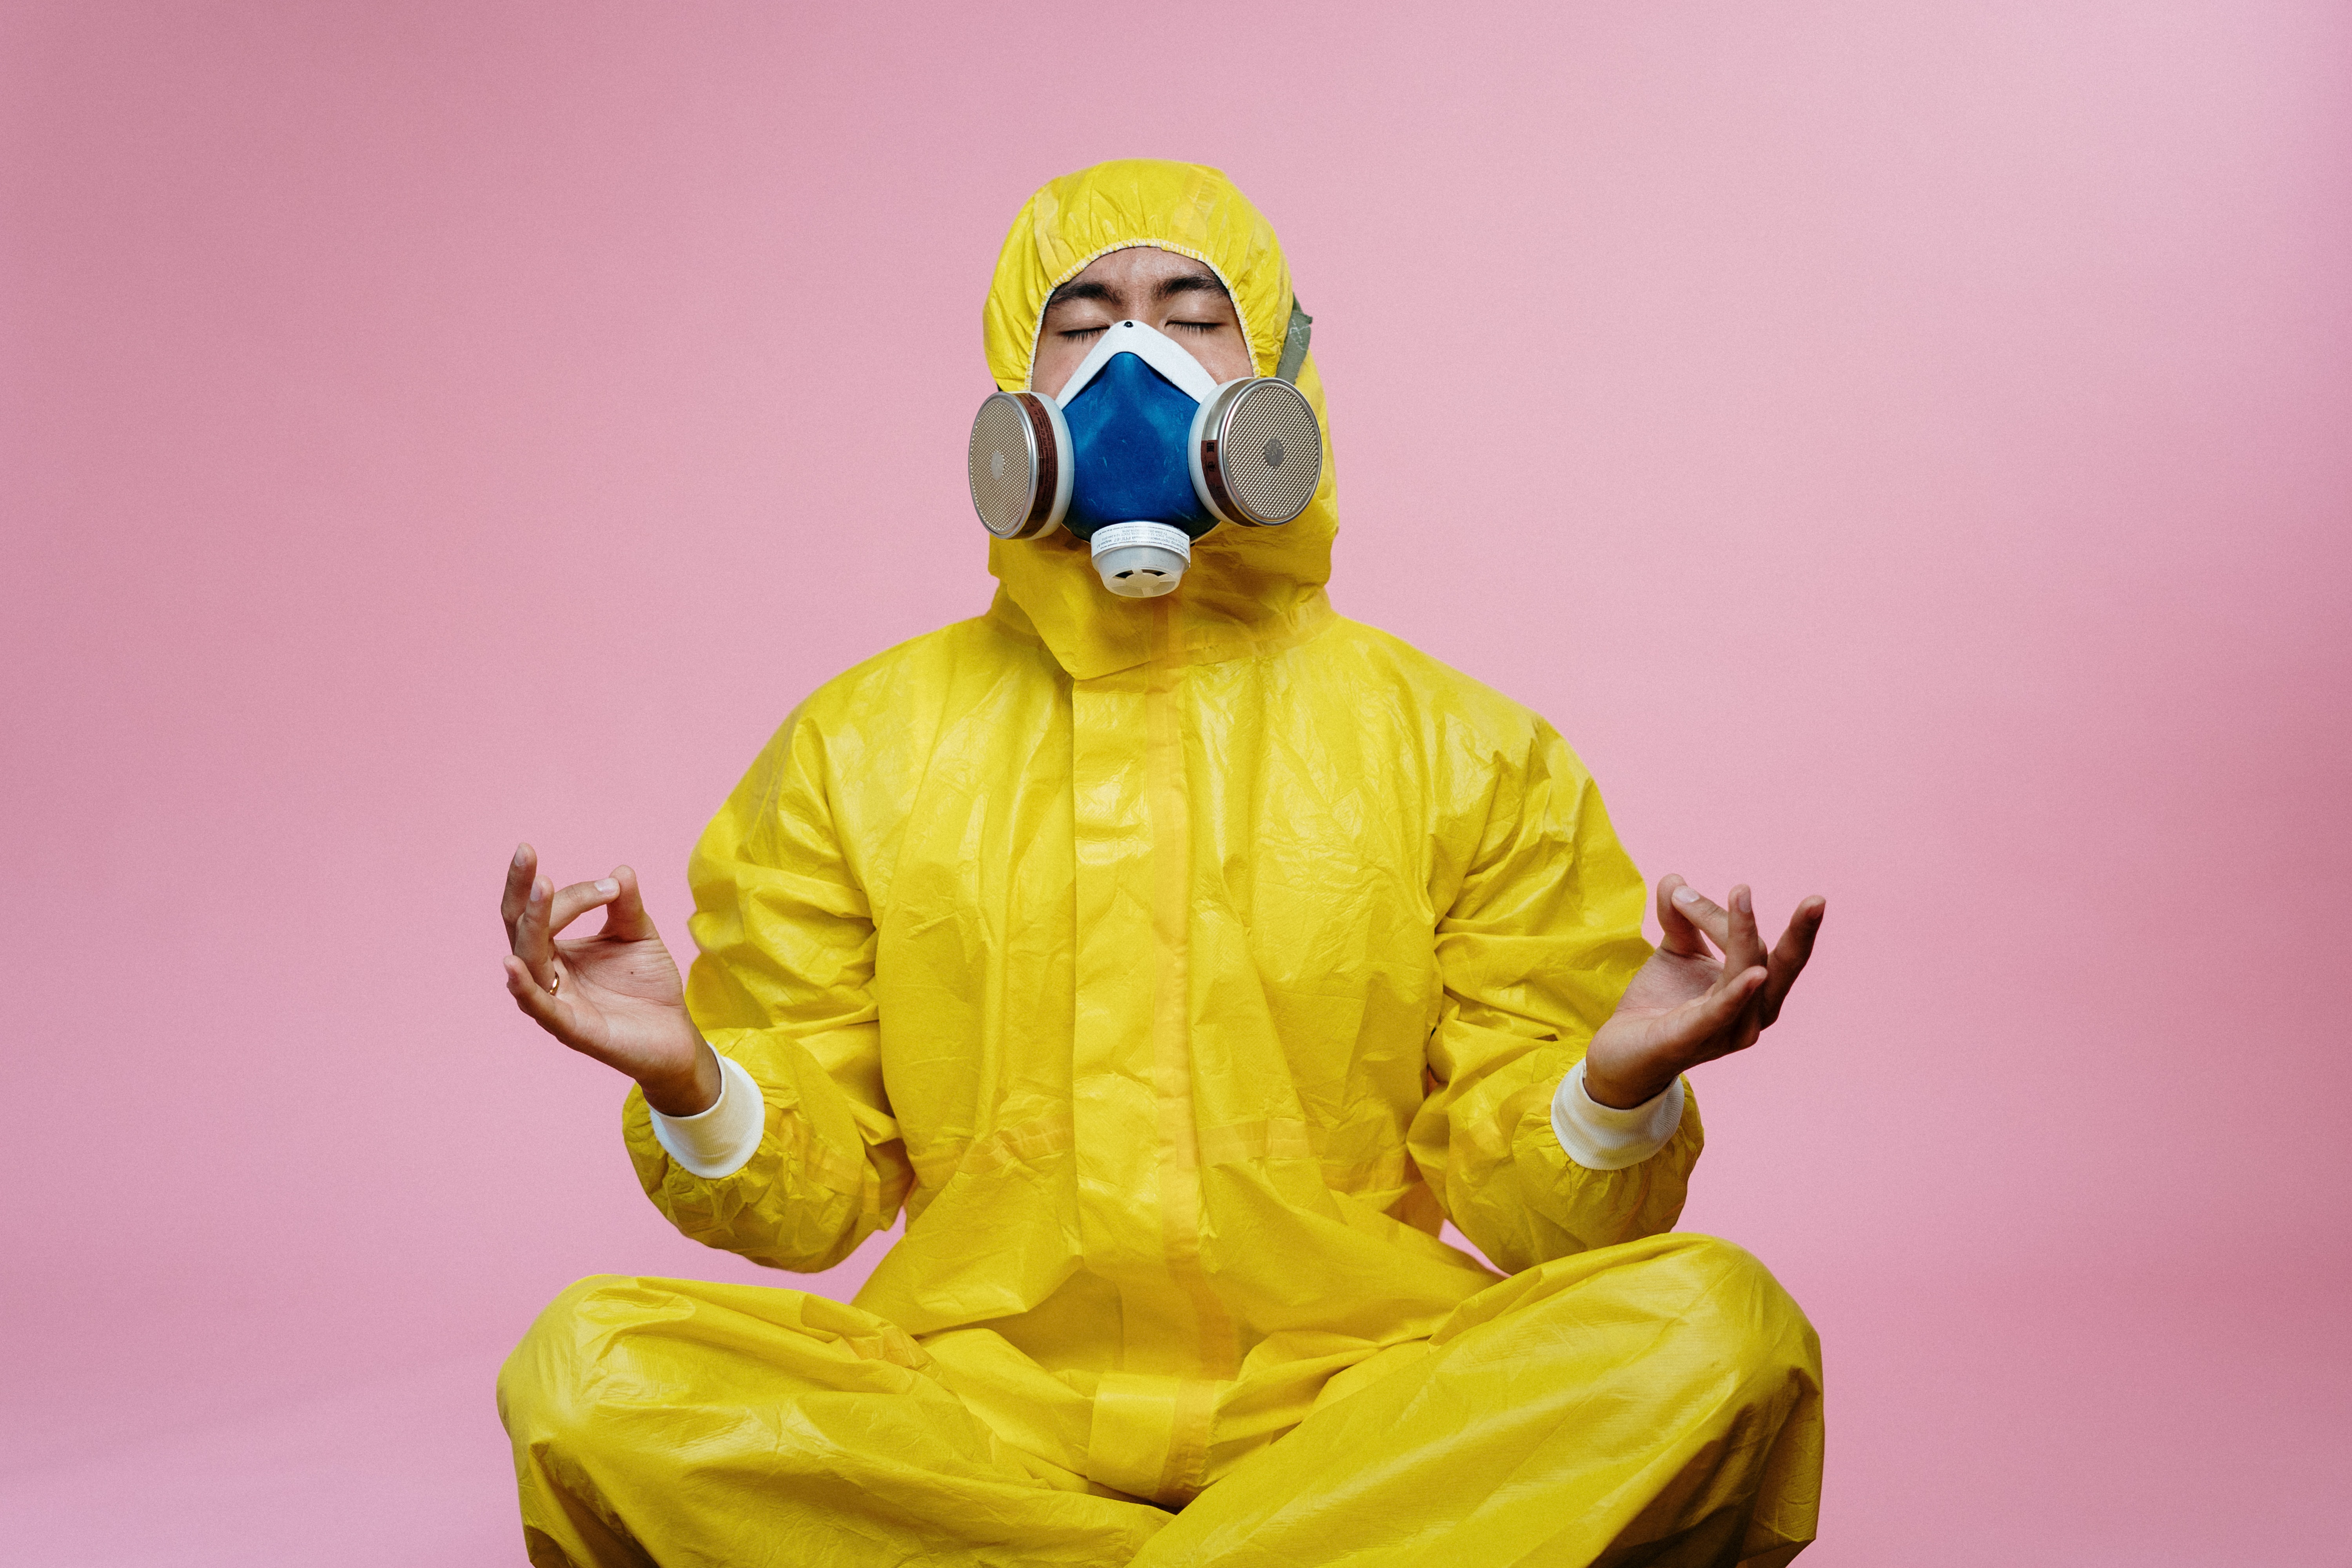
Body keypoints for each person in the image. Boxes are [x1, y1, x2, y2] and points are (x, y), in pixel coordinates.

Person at [494, 158, 1826, 1568]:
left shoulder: (1467, 751)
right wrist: (697, 1081)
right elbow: (821, 1205)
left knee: (1714, 1338)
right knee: (590, 1379)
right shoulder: (859, 746)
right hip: (975, 1412)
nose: (1136, 361)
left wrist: (1614, 1087)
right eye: (1083, 321)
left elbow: (1536, 1217)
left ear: (1280, 379)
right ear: (1019, 386)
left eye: (1193, 316)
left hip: (1356, 1409)